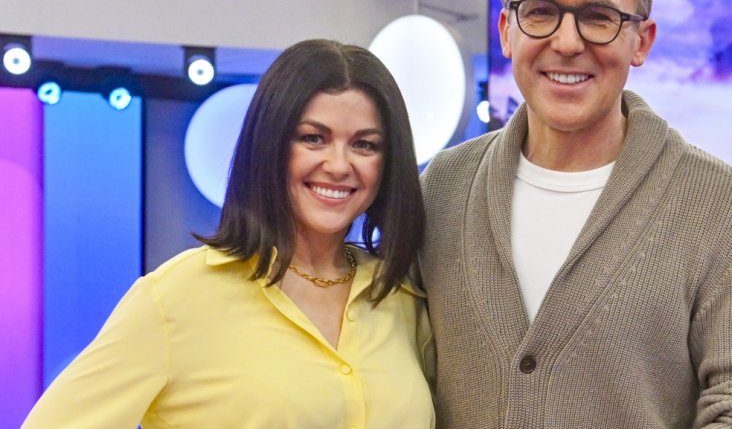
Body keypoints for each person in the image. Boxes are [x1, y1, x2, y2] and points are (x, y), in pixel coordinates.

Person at [418, 0, 732, 428]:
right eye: (540, 12)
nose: (566, 42)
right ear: (506, 30)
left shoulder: (717, 206)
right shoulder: (443, 188)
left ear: (642, 41)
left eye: (598, 17)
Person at [23, 40, 435, 429]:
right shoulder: (177, 297)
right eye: (313, 138)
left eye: (364, 145)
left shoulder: (403, 298)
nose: (339, 165)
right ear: (270, 145)